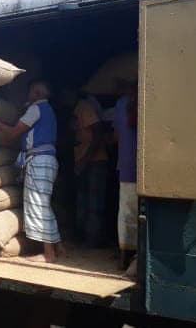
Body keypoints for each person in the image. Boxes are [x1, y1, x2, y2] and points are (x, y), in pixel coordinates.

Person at [0, 80, 63, 263]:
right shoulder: (48, 110)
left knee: (38, 205)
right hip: (47, 160)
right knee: (44, 204)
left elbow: (13, 133)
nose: (27, 95)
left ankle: (48, 254)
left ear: (36, 94)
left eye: (30, 92)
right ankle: (59, 248)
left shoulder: (35, 109)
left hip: (38, 161)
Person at [73, 93, 110, 247]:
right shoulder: (78, 109)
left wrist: (85, 160)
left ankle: (92, 240)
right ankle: (84, 238)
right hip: (86, 160)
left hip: (94, 162)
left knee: (93, 203)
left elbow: (97, 133)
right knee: (84, 201)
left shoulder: (84, 106)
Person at [113, 81, 138, 273]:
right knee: (142, 216)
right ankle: (137, 258)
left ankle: (125, 257)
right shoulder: (149, 101)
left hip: (127, 167)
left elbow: (116, 135)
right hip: (148, 168)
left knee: (126, 215)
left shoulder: (121, 104)